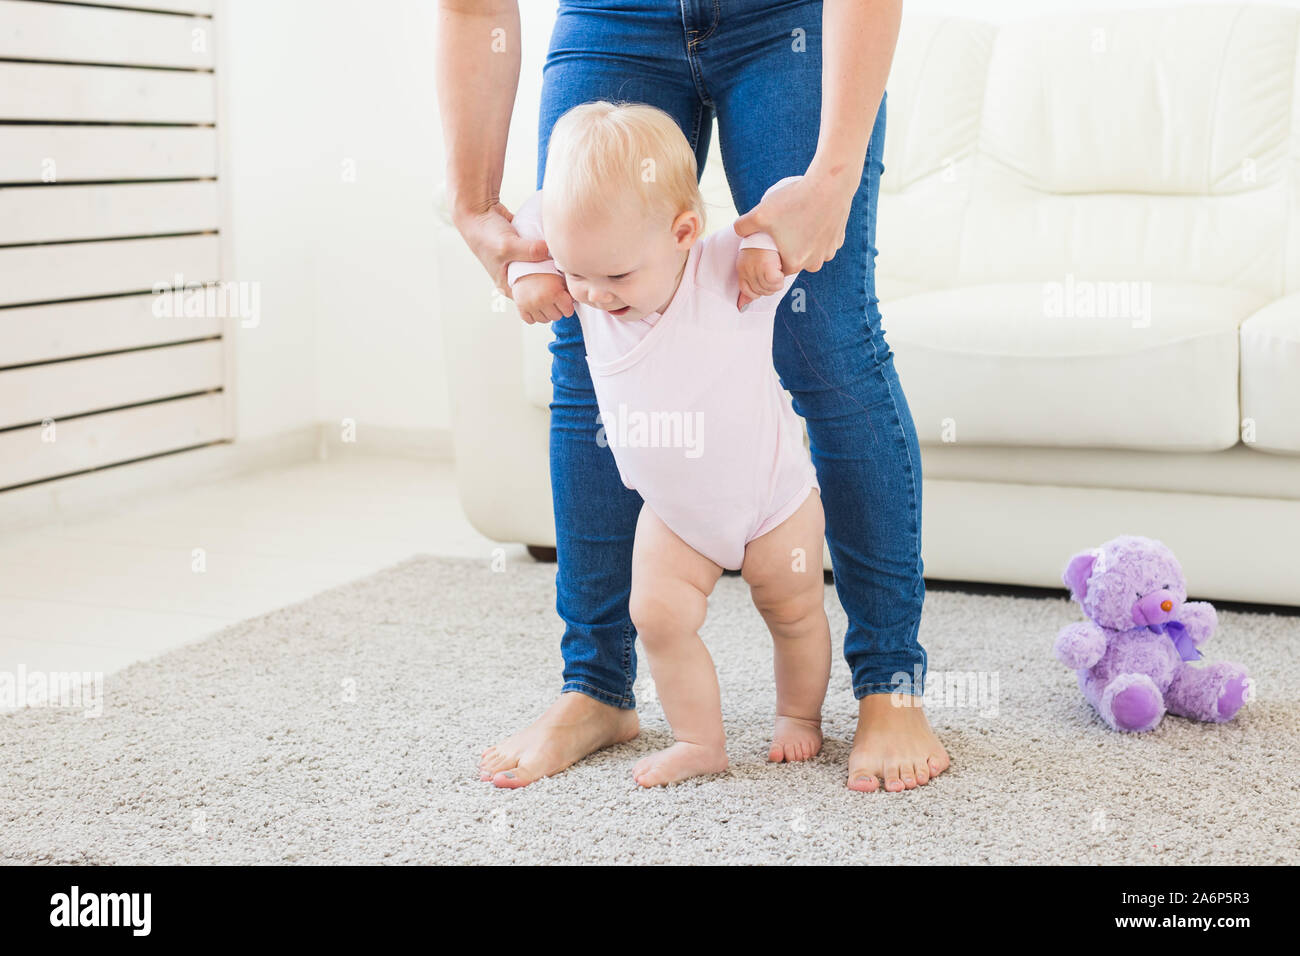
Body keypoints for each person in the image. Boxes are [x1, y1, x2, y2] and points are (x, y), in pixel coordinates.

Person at [437, 0, 951, 793]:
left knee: (827, 331)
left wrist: (832, 176)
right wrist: (474, 208)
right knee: (584, 342)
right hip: (613, 18)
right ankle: (595, 690)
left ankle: (890, 685)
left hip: (789, 17)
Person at [507, 101, 830, 786]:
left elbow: (783, 213)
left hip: (774, 501)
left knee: (795, 610)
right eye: (575, 272)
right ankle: (699, 741)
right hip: (676, 516)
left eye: (615, 277)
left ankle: (800, 715)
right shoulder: (591, 278)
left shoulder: (721, 271)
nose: (592, 295)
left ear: (685, 231)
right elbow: (533, 216)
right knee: (654, 618)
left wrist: (767, 255)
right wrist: (527, 271)